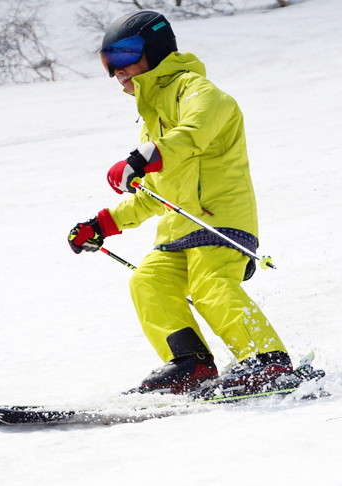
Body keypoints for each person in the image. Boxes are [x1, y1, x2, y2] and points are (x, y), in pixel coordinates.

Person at [68, 11, 294, 396]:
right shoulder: (152, 119)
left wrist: (144, 155)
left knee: (211, 287)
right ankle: (190, 364)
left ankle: (267, 361)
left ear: (155, 50)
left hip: (219, 220)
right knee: (148, 281)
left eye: (125, 56)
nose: (117, 70)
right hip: (177, 228)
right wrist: (103, 223)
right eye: (108, 62)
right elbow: (154, 193)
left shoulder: (198, 92)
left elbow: (193, 132)